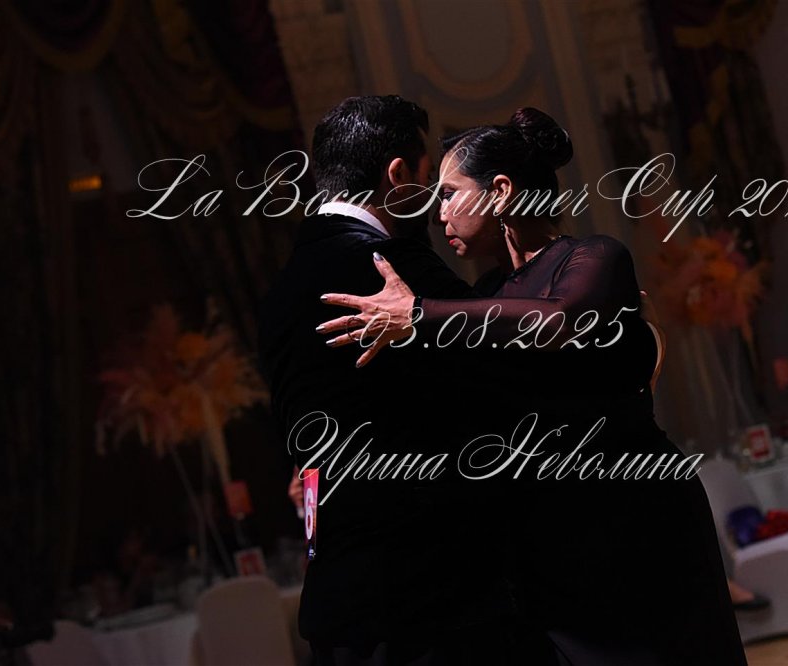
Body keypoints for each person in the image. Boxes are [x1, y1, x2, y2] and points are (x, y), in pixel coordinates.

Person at [318, 108, 746, 664]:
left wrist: (419, 314)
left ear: (500, 192)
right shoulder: (485, 294)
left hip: (634, 512)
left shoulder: (594, 257)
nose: (437, 211)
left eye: (449, 194)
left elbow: (558, 320)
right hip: (549, 536)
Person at [259, 96, 556, 665]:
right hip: (432, 604)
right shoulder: (393, 267)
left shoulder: (279, 292)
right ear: (397, 175)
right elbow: (514, 382)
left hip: (340, 605)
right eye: (428, 182)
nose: (437, 206)